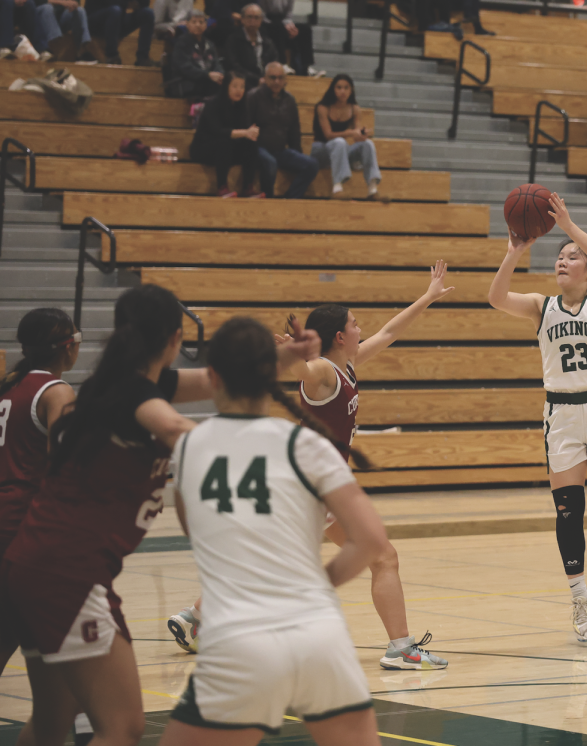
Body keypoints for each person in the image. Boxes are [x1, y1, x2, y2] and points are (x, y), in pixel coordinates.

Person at [0, 285, 266, 746]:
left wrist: (283, 358)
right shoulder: (131, 395)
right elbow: (176, 427)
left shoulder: (125, 385)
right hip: (67, 573)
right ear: (174, 337)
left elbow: (212, 381)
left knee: (51, 721)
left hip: (35, 563)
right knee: (122, 727)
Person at [168, 269, 456, 672]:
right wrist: (296, 355)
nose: (361, 328)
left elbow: (390, 332)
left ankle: (194, 617)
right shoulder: (322, 370)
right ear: (340, 335)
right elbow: (304, 372)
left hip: (314, 485)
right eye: (355, 323)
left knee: (279, 560)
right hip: (313, 486)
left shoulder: (348, 364)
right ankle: (401, 648)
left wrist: (427, 297)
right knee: (381, 557)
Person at [157, 318, 389, 745]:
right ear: (272, 375)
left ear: (212, 377)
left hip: (239, 638)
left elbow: (195, 531)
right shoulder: (309, 444)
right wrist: (320, 583)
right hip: (315, 633)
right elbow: (371, 541)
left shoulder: (190, 447)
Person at [489, 193, 587, 642]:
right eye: (559, 256)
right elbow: (496, 297)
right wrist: (514, 252)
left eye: (572, 257)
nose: (562, 260)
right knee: (568, 512)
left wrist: (571, 227)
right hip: (560, 414)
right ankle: (579, 595)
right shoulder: (542, 307)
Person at [0, 309, 79, 665]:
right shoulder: (56, 392)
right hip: (24, 532)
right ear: (67, 347)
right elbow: (65, 472)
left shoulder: (9, 385)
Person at [248, 61, 319, 198]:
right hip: (257, 148)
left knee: (311, 164)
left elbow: (294, 131)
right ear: (265, 79)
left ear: (285, 80)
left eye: (280, 78)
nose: (277, 81)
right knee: (270, 163)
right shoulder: (254, 96)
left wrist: (297, 154)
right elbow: (246, 125)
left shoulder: (290, 100)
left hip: (280, 150)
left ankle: (290, 199)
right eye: (273, 77)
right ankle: (267, 198)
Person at [190, 71, 263, 198]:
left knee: (251, 143)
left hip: (227, 149)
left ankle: (248, 188)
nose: (239, 90)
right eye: (234, 86)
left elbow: (246, 129)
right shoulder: (213, 104)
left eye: (242, 87)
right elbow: (218, 131)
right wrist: (245, 132)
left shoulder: (243, 105)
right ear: (226, 86)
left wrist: (252, 132)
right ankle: (222, 187)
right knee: (224, 142)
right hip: (204, 148)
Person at [312, 74, 381, 199]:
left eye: (346, 88)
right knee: (339, 142)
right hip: (321, 149)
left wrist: (362, 135)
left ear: (351, 90)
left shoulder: (354, 109)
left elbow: (356, 136)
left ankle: (372, 189)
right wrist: (350, 133)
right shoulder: (322, 107)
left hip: (340, 151)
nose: (342, 91)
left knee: (368, 144)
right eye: (339, 88)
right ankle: (337, 188)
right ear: (333, 89)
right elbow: (328, 135)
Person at [256, 0, 315, 76]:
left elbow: (288, 13)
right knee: (278, 27)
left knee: (305, 30)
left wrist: (290, 26)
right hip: (267, 22)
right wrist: (283, 25)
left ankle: (306, 66)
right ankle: (282, 63)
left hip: (282, 20)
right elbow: (262, 13)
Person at [166, 9, 224, 102]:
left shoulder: (210, 44)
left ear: (205, 25)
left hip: (206, 81)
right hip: (187, 82)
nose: (198, 25)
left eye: (201, 22)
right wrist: (208, 75)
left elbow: (216, 63)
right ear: (187, 24)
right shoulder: (181, 43)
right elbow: (185, 67)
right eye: (194, 22)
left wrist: (220, 75)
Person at [222, 2, 278, 89]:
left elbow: (274, 61)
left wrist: (268, 77)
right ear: (242, 19)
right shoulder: (233, 39)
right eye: (249, 17)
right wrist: (257, 79)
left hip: (266, 82)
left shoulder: (267, 41)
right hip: (244, 82)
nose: (253, 21)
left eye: (256, 18)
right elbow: (234, 66)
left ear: (261, 20)